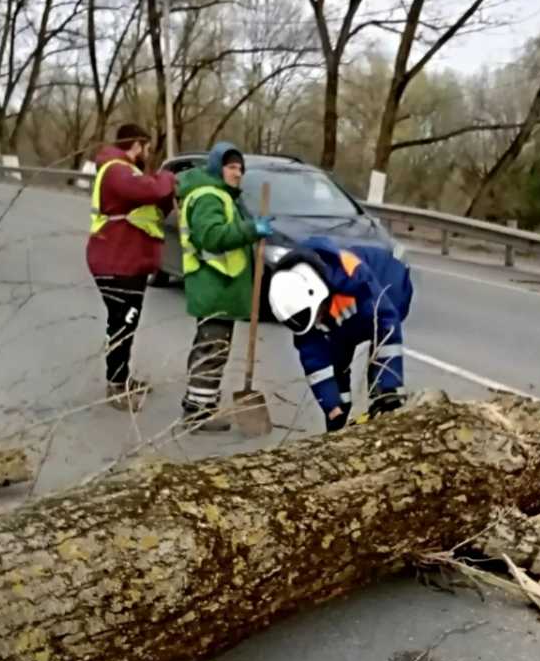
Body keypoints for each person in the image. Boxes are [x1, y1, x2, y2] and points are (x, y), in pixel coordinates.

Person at [175, 141, 273, 432]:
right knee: (212, 350)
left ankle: (197, 403)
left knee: (211, 349)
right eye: (231, 167)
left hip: (219, 288)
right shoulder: (209, 197)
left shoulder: (224, 197)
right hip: (213, 286)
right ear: (218, 167)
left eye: (240, 168)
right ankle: (199, 414)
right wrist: (251, 229)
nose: (237, 173)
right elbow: (212, 236)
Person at [267, 237, 413, 432]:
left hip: (388, 279)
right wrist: (332, 406)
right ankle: (341, 413)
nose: (316, 322)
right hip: (341, 310)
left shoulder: (352, 275)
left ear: (318, 294)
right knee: (335, 350)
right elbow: (316, 363)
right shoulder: (298, 300)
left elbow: (387, 327)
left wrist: (388, 388)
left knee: (380, 339)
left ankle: (384, 398)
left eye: (317, 315)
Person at [87, 123, 176, 410]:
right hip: (115, 261)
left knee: (127, 322)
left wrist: (165, 194)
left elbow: (154, 204)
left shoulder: (128, 170)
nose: (148, 152)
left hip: (128, 260)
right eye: (147, 146)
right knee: (122, 323)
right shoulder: (116, 169)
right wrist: (166, 177)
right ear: (137, 144)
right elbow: (149, 190)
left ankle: (121, 377)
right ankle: (116, 385)